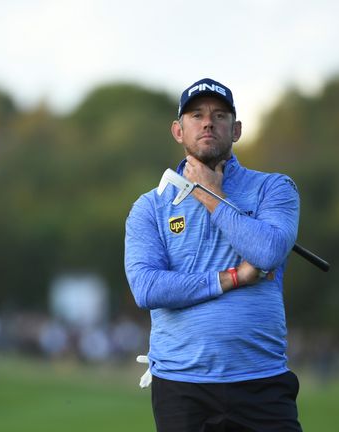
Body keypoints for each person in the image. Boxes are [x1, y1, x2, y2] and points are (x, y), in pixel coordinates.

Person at [124, 78, 303, 431]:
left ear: (235, 130)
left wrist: (209, 194)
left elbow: (267, 251)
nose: (208, 122)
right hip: (182, 387)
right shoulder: (149, 207)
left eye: (220, 115)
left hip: (260, 379)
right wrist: (231, 278)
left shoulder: (273, 187)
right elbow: (147, 288)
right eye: (196, 115)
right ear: (178, 130)